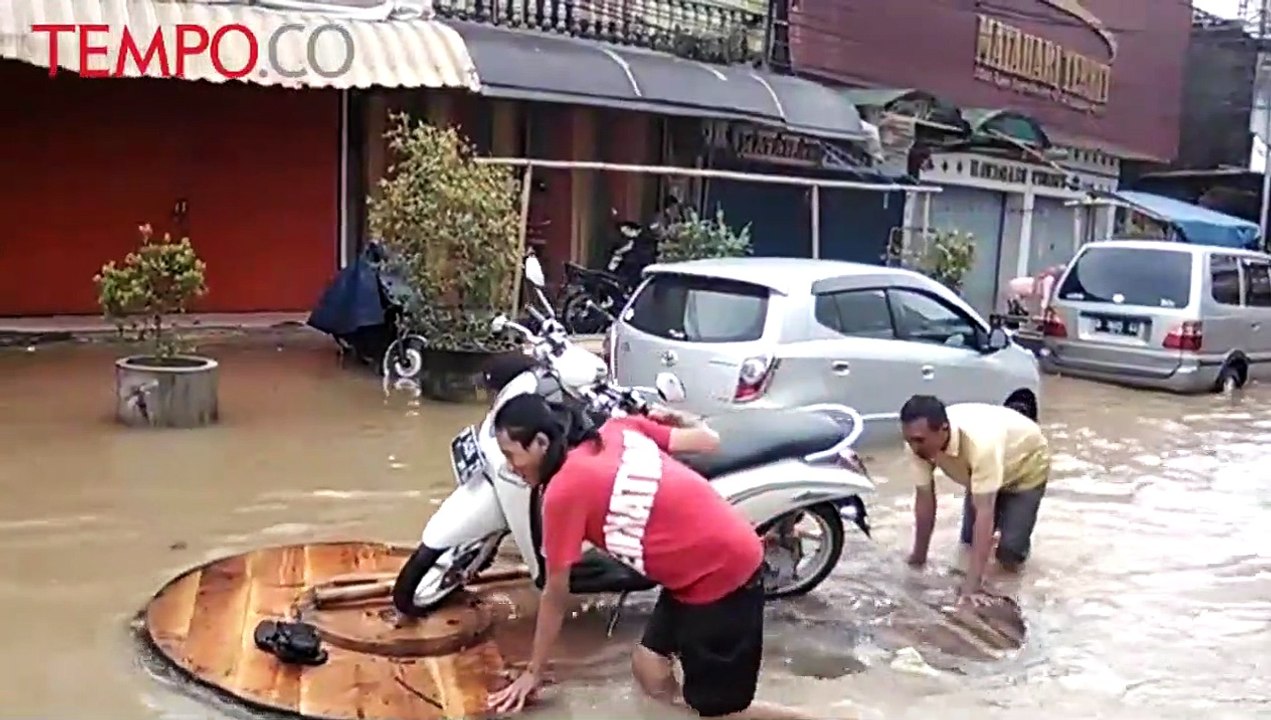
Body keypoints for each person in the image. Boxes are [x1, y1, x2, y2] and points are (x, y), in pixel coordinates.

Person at [486, 394, 817, 720]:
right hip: (698, 568)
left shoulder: (561, 493)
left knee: (722, 714)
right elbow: (708, 440)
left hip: (723, 575)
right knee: (649, 666)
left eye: (510, 455)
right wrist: (678, 417)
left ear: (541, 443)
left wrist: (534, 672)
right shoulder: (619, 429)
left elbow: (555, 593)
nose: (510, 467)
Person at [898, 395, 1050, 607]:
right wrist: (918, 559)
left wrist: (972, 586)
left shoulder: (980, 443)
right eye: (909, 440)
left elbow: (984, 513)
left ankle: (1008, 588)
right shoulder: (918, 445)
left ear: (943, 429)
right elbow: (925, 500)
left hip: (1025, 466)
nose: (914, 447)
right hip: (980, 472)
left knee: (1010, 552)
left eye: (919, 440)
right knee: (968, 544)